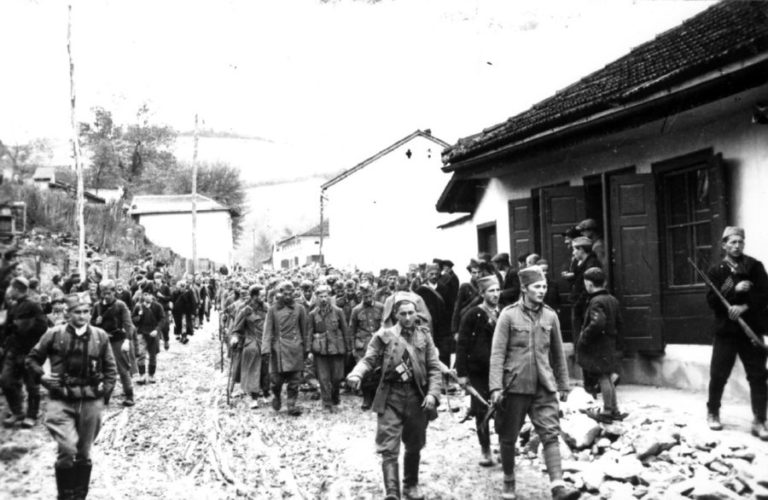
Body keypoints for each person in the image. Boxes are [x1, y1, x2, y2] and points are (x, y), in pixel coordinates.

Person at [489, 266, 578, 500]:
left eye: (544, 286)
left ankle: (558, 487)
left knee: (550, 433)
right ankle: (509, 481)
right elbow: (497, 354)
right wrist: (495, 387)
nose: (542, 291)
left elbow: (558, 353)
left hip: (543, 386)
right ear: (524, 288)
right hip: (514, 386)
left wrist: (563, 384)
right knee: (508, 436)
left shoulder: (550, 316)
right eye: (537, 287)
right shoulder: (508, 316)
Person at [347, 299, 442, 500]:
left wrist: (433, 394)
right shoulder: (384, 336)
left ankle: (411, 485)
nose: (407, 318)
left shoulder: (424, 336)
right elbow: (369, 359)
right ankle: (392, 492)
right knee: (388, 447)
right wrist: (357, 373)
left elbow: (434, 368)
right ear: (395, 315)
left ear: (416, 314)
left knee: (414, 443)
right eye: (403, 314)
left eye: (411, 313)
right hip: (391, 396)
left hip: (417, 396)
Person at [26, 292, 117, 500]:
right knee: (67, 450)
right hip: (61, 400)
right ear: (67, 313)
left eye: (86, 311)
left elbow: (111, 370)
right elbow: (32, 359)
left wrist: (103, 394)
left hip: (90, 400)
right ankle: (65, 495)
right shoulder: (54, 334)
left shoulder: (100, 336)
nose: (82, 316)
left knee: (84, 453)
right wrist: (43, 378)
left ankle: (79, 495)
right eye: (77, 312)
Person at [705, 226, 768, 440]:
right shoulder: (717, 271)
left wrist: (744, 307)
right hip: (726, 331)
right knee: (718, 374)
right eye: (732, 242)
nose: (737, 246)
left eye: (740, 242)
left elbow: (764, 295)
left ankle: (760, 420)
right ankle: (713, 412)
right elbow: (712, 301)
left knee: (758, 376)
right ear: (724, 245)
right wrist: (734, 289)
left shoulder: (754, 266)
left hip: (751, 331)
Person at [455, 275, 500, 466]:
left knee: (502, 408)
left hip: (499, 371)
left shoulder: (504, 313)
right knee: (481, 410)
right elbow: (462, 345)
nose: (496, 294)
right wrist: (462, 374)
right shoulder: (472, 315)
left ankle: (504, 446)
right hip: (478, 371)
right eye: (491, 291)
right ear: (482, 293)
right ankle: (485, 449)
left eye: (498, 290)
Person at [576, 267, 624, 423]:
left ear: (589, 284)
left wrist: (584, 337)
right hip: (609, 343)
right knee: (608, 376)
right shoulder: (612, 299)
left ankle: (608, 411)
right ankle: (615, 410)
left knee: (603, 377)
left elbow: (598, 323)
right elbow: (619, 322)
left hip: (599, 345)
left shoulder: (596, 301)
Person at [1, 277, 48, 428]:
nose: (9, 291)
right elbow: (7, 329)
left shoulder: (33, 306)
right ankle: (17, 412)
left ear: (16, 289)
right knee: (6, 381)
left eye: (10, 288)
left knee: (32, 385)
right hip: (13, 351)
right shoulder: (14, 306)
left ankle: (31, 415)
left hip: (29, 352)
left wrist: (29, 340)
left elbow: (43, 327)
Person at [262, 281, 309, 416]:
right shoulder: (273, 309)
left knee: (295, 381)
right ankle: (277, 396)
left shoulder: (300, 308)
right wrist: (266, 349)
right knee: (276, 381)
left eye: (290, 294)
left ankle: (291, 405)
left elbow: (304, 330)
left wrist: (306, 348)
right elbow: (267, 330)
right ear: (280, 294)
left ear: (294, 293)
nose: (288, 297)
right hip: (278, 350)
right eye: (285, 294)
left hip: (295, 348)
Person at [92, 280, 136, 407]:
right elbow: (91, 325)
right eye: (103, 293)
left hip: (118, 340)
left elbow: (128, 324)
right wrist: (95, 322)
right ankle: (104, 395)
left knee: (123, 369)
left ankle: (129, 395)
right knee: (101, 369)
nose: (106, 296)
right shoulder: (97, 306)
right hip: (102, 341)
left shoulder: (120, 305)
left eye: (109, 293)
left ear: (114, 292)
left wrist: (127, 340)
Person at [308, 284, 351, 412]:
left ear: (329, 297)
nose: (323, 299)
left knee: (337, 377)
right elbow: (309, 332)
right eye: (320, 296)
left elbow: (345, 330)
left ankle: (335, 395)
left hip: (337, 348)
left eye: (325, 296)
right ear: (317, 298)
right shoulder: (313, 314)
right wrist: (309, 350)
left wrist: (348, 348)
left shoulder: (338, 311)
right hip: (320, 350)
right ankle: (326, 403)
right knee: (323, 378)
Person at [230, 284, 270, 409]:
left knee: (266, 370)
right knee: (253, 370)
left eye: (265, 295)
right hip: (252, 342)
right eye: (261, 295)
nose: (264, 298)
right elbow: (237, 329)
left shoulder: (267, 308)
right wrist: (235, 338)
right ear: (254, 296)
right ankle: (254, 398)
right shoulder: (245, 310)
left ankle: (266, 392)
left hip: (265, 342)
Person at [349, 282, 384, 410]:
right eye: (365, 297)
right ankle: (366, 398)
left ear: (373, 294)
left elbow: (386, 325)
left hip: (378, 345)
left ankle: (376, 398)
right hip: (362, 346)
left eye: (370, 296)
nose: (368, 299)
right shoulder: (356, 310)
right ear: (361, 296)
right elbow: (352, 331)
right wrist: (353, 348)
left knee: (378, 372)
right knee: (365, 372)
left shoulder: (381, 307)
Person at [131, 290, 166, 385]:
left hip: (153, 333)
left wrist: (157, 330)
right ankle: (142, 375)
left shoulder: (157, 306)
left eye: (149, 294)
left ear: (152, 296)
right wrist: (138, 317)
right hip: (142, 332)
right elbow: (133, 319)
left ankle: (151, 375)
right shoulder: (138, 306)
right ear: (142, 296)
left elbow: (162, 319)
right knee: (141, 354)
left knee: (153, 354)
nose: (147, 296)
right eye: (145, 294)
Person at [171, 279, 196, 344]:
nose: (182, 288)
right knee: (178, 324)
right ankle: (180, 335)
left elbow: (193, 302)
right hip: (177, 312)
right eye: (180, 286)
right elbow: (172, 301)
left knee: (184, 324)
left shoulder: (189, 292)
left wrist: (193, 312)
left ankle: (184, 337)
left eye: (183, 286)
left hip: (185, 311)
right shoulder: (175, 293)